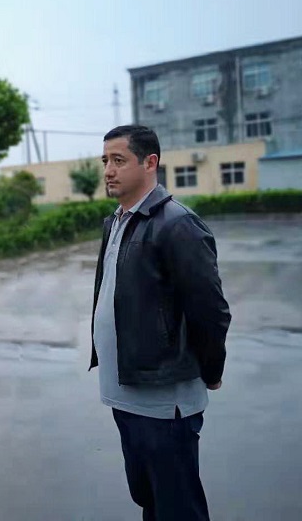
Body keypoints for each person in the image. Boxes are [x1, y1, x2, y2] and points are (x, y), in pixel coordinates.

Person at [90, 125, 231, 521]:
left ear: (150, 162)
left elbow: (211, 311)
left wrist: (212, 371)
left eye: (119, 160)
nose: (108, 170)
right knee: (149, 499)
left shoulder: (177, 224)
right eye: (105, 161)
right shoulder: (117, 221)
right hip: (125, 393)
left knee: (177, 508)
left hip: (164, 402)